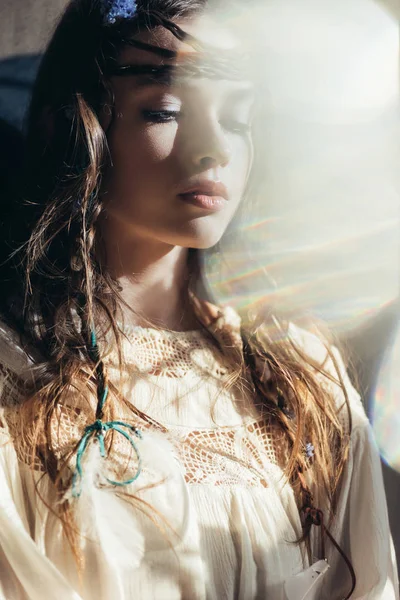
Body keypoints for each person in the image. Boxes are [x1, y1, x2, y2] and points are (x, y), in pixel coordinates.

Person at [0, 0, 397, 598]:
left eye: (239, 119)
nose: (215, 148)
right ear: (77, 126)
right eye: (165, 110)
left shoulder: (305, 375)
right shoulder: (17, 381)